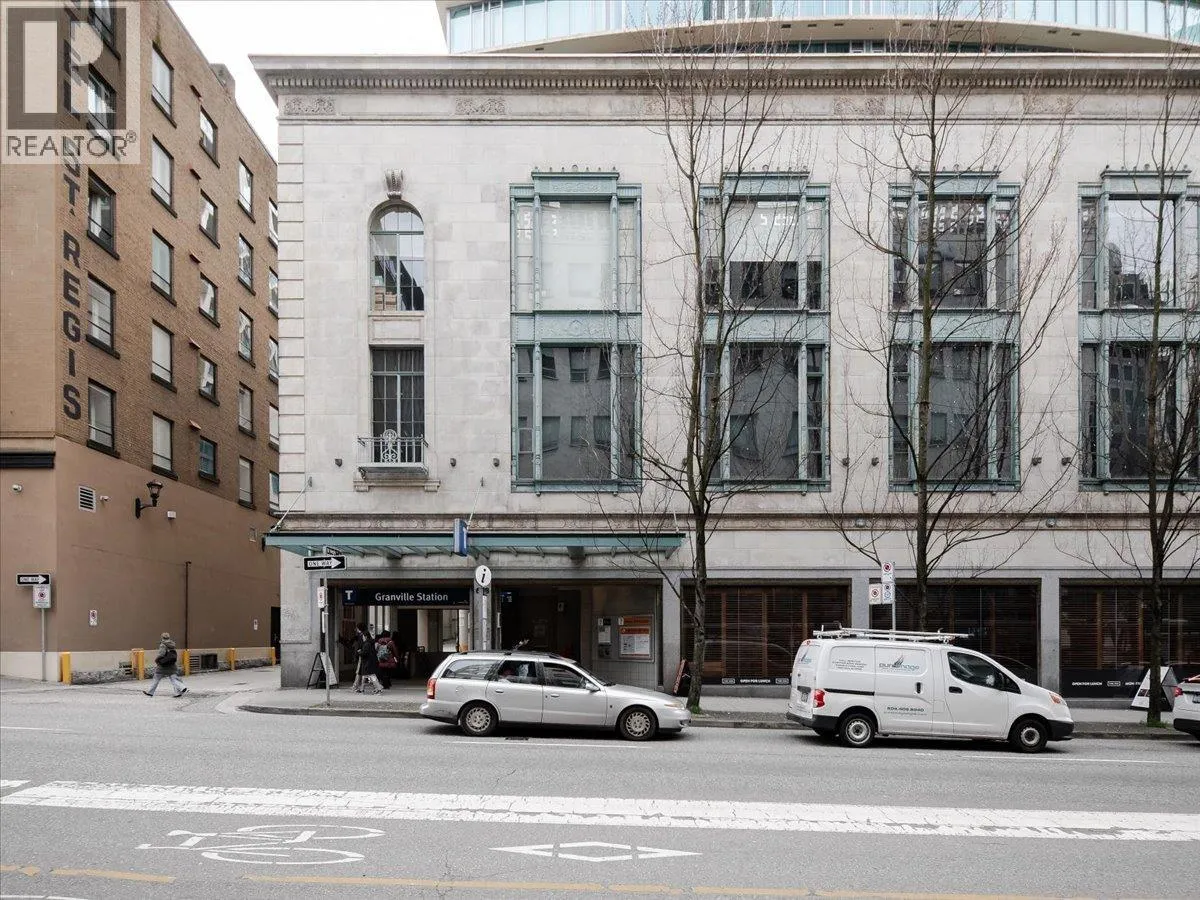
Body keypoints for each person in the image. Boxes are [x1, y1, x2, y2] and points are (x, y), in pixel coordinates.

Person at [144, 632, 187, 698]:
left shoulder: (163, 644)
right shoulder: (172, 644)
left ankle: (150, 692)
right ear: (169, 637)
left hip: (163, 665)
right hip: (171, 665)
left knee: (156, 678)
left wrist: (157, 660)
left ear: (162, 637)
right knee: (174, 679)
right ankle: (181, 688)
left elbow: (161, 654)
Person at [355, 625, 383, 694]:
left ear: (366, 636)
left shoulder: (367, 644)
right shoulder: (371, 642)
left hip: (368, 662)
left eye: (363, 636)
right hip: (370, 661)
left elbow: (365, 653)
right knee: (364, 676)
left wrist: (359, 652)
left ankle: (379, 688)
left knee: (371, 676)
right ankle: (362, 689)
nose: (362, 638)